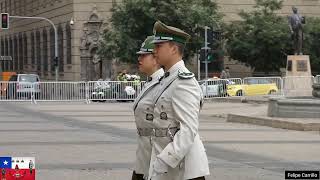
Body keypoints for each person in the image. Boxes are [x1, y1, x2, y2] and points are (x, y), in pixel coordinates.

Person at [147, 21, 209, 180]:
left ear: (174, 49)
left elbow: (188, 129)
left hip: (183, 169)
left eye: (159, 46)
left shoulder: (183, 82)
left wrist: (165, 160)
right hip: (169, 165)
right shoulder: (168, 78)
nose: (154, 51)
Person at [132, 35, 164, 180]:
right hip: (143, 154)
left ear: (156, 58)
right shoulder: (150, 82)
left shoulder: (164, 84)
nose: (139, 59)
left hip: (157, 156)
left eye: (144, 55)